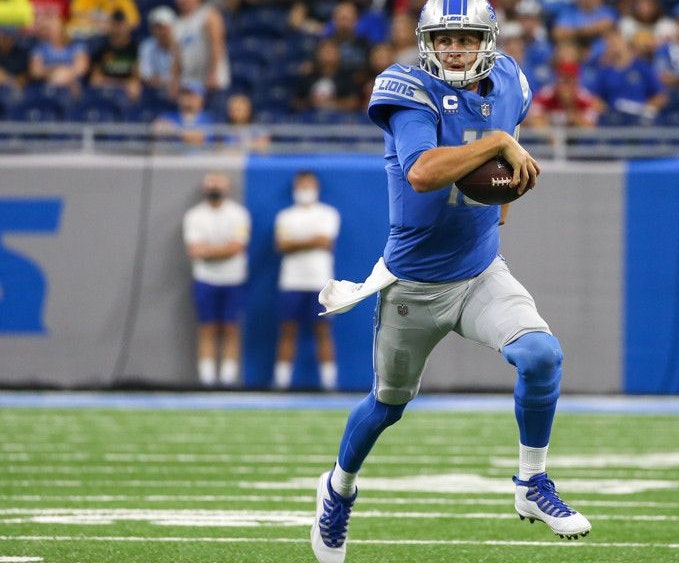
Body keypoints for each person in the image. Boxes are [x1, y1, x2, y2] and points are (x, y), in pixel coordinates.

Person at [309, 0, 591, 561]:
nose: (454, 50)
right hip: (413, 285)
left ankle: (531, 482)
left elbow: (506, 150)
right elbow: (422, 172)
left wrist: (503, 194)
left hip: (481, 271)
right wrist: (498, 143)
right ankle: (338, 488)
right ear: (427, 43)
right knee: (388, 404)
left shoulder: (509, 79)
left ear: (487, 41)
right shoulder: (407, 88)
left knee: (541, 356)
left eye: (464, 39)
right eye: (443, 40)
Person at [273, 171, 340, 391]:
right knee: (288, 330)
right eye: (301, 186)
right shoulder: (285, 216)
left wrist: (296, 242)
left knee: (323, 330)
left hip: (320, 282)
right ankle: (281, 382)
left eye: (308, 185)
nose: (305, 190)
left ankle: (329, 383)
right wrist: (311, 240)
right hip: (291, 282)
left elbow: (325, 241)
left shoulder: (328, 213)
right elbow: (281, 244)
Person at [182, 171, 250, 388]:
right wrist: (223, 250)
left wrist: (209, 251)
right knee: (207, 328)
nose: (215, 189)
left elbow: (237, 247)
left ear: (227, 188)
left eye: (219, 185)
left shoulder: (238, 214)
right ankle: (207, 379)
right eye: (212, 185)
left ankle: (228, 380)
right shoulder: (195, 216)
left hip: (233, 279)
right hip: (205, 279)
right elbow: (194, 250)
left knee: (231, 328)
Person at [172, 0, 230, 94]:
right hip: (189, 82)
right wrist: (175, 80)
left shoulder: (208, 15)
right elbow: (177, 56)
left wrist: (214, 72)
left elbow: (217, 45)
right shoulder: (177, 24)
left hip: (211, 81)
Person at [88, 9, 140, 99]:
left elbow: (136, 77)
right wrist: (117, 84)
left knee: (134, 87)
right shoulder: (101, 48)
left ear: (127, 26)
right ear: (110, 26)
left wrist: (118, 84)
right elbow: (95, 79)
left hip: (127, 90)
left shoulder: (135, 49)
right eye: (114, 25)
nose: (118, 29)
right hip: (106, 90)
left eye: (120, 25)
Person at [138, 6, 176, 92]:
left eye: (163, 27)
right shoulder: (146, 46)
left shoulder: (181, 45)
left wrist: (161, 80)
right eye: (156, 28)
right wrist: (169, 80)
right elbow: (146, 76)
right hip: (153, 92)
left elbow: (183, 77)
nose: (160, 31)